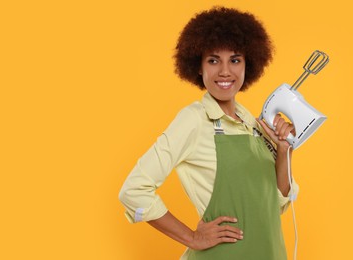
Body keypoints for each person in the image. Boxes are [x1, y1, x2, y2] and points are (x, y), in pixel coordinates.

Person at [119, 6, 299, 260]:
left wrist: (284, 151)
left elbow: (276, 203)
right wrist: (192, 237)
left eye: (235, 60)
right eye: (213, 60)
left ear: (249, 65)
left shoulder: (253, 123)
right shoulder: (194, 119)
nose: (225, 71)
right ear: (199, 67)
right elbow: (133, 191)